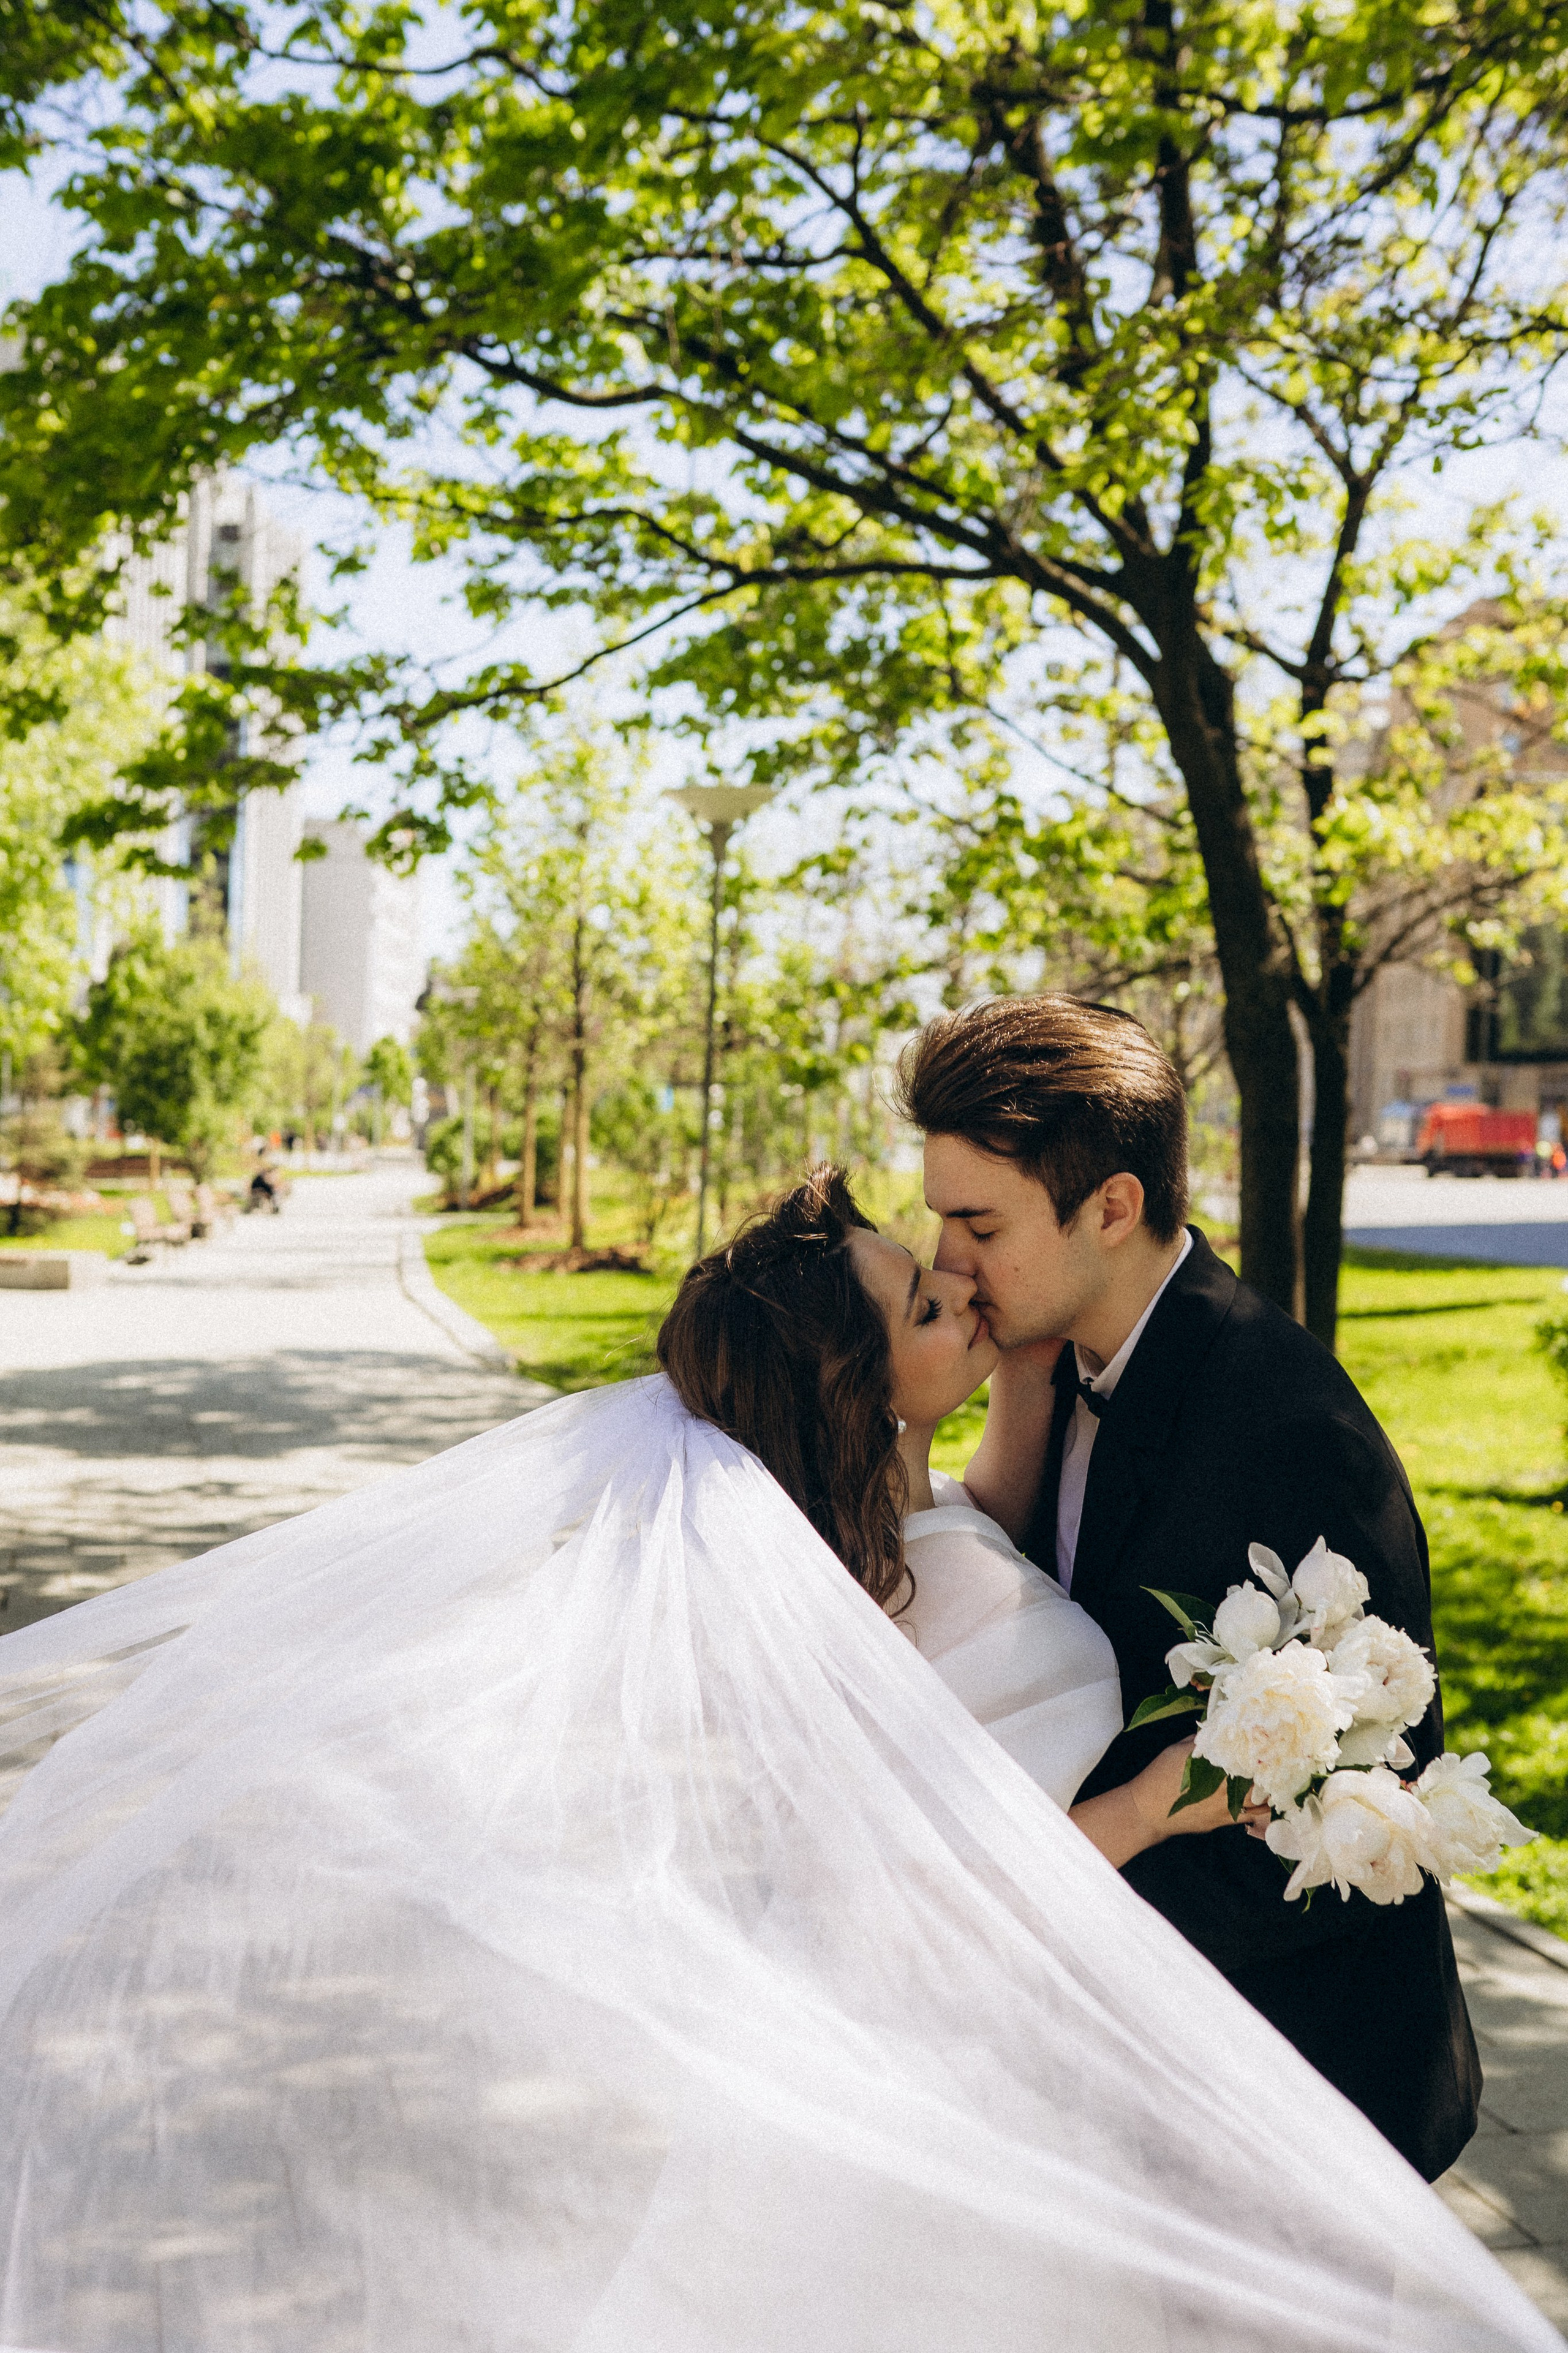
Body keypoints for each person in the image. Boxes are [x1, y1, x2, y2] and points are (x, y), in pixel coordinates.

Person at [0, 1179, 1550, 2351]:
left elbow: (980, 1500)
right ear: (860, 1391)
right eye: (925, 1300)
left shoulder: (877, 1553)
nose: (957, 1283)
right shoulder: (906, 1609)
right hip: (976, 2115)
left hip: (942, 2110)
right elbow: (947, 1904)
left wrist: (1002, 1349)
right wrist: (1145, 1807)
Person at [898, 992, 1481, 2183]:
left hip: (1295, 2096)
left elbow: (1348, 1818)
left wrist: (1026, 1935)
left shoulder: (1283, 1428)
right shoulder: (1048, 1360)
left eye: (976, 1222)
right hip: (1133, 2093)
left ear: (1110, 1205)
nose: (948, 1265)